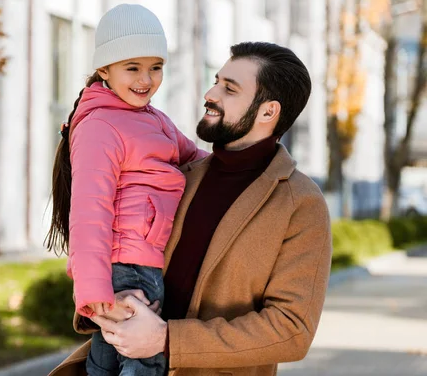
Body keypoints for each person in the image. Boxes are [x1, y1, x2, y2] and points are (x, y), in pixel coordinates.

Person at [49, 41, 333, 376]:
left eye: (229, 89)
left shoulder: (300, 203)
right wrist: (102, 308)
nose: (210, 93)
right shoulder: (175, 176)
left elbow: (292, 329)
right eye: (216, 81)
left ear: (268, 111)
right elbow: (99, 230)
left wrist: (166, 340)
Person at [45, 3, 207, 376]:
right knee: (144, 361)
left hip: (144, 261)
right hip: (125, 269)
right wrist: (97, 298)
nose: (146, 79)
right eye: (132, 67)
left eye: (156, 67)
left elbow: (198, 159)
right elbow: (89, 213)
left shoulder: (153, 119)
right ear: (104, 69)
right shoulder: (101, 125)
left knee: (107, 362)